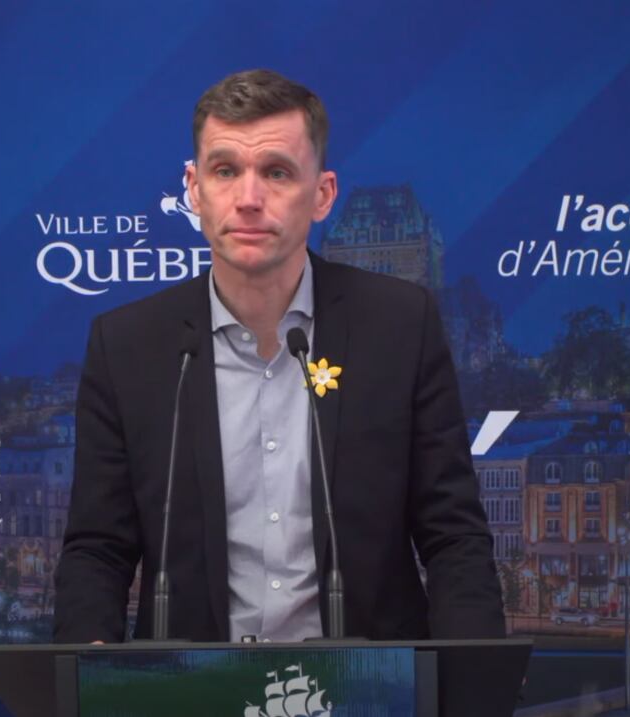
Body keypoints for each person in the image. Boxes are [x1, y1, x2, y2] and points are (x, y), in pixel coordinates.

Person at [54, 69, 504, 643]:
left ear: (323, 195)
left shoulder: (400, 325)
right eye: (225, 170)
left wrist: (471, 676)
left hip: (367, 683)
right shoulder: (126, 346)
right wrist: (88, 665)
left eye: (277, 172)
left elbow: (453, 535)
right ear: (194, 189)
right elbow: (98, 548)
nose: (248, 199)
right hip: (188, 684)